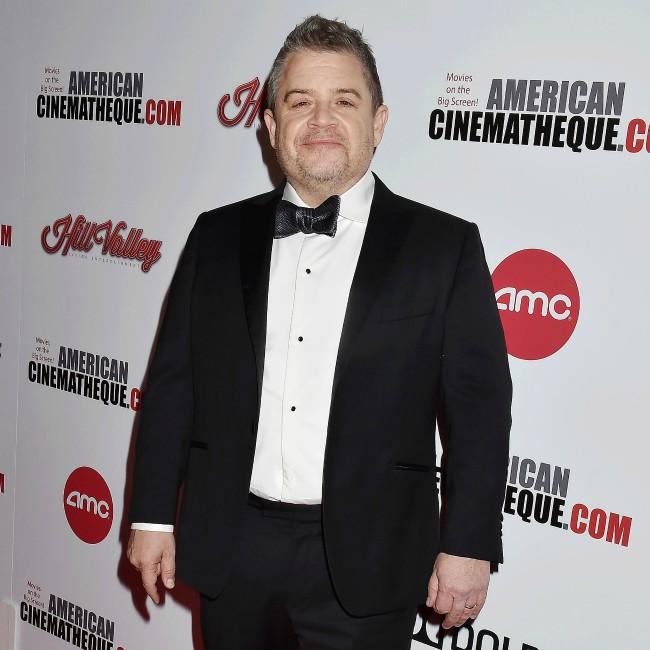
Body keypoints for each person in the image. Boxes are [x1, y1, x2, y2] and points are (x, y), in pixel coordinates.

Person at [127, 14, 512, 650]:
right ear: (271, 124)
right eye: (300, 101)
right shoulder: (215, 236)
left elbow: (479, 409)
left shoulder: (444, 247)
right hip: (233, 547)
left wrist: (468, 544)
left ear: (378, 123)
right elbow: (174, 387)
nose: (322, 119)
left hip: (371, 558)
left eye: (345, 101)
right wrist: (151, 516)